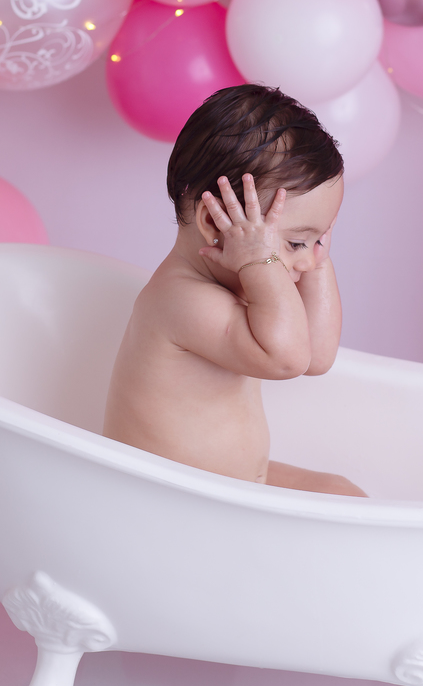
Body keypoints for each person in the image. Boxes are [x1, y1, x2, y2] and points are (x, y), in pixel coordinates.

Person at [103, 84, 365, 496]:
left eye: (317, 239)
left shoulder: (248, 287)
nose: (306, 260)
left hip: (228, 491)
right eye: (296, 242)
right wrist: (262, 261)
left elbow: (316, 356)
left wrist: (315, 255)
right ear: (214, 224)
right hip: (170, 500)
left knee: (342, 492)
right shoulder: (182, 300)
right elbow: (289, 360)